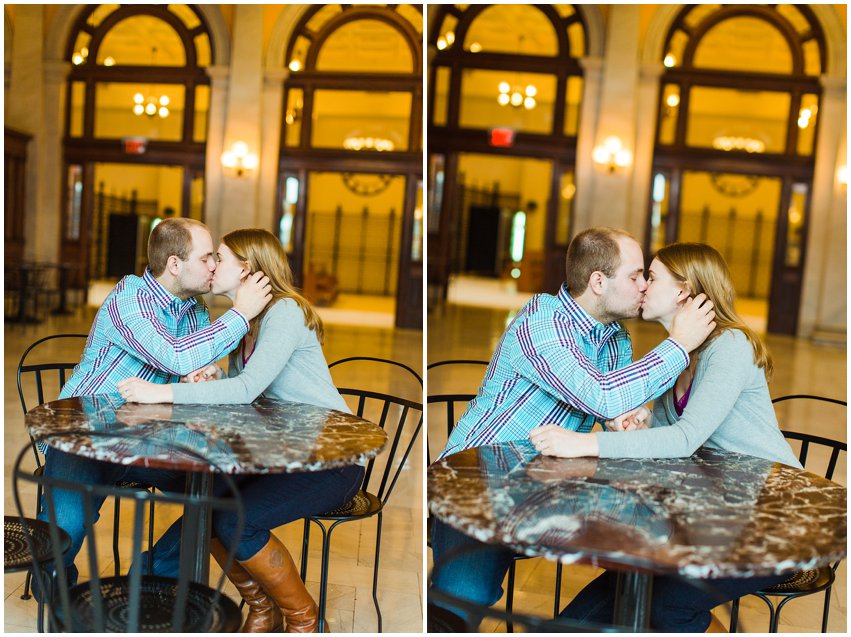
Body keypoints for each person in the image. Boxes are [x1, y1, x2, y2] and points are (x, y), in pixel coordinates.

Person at [430, 227, 716, 624]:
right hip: (479, 485)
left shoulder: (616, 338)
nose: (644, 286)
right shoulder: (541, 321)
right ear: (599, 281)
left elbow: (617, 408)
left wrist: (628, 419)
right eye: (636, 276)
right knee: (466, 595)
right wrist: (678, 345)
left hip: (548, 489)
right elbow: (599, 395)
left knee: (640, 569)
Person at [530, 242, 800, 632]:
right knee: (606, 601)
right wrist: (641, 424)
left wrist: (582, 443)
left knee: (666, 608)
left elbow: (685, 440)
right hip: (715, 519)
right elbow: (666, 439)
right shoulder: (678, 354)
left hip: (773, 523)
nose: (641, 286)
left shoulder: (730, 346)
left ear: (684, 290)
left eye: (650, 277)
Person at [117, 228, 364, 633]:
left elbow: (247, 391)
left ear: (246, 269)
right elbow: (247, 395)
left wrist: (162, 392)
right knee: (210, 501)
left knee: (233, 522)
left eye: (221, 258)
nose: (212, 265)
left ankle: (305, 620)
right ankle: (262, 610)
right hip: (283, 455)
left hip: (330, 460)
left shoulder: (283, 312)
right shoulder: (247, 323)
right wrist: (213, 376)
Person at [37, 218, 272, 593]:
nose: (214, 266)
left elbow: (191, 366)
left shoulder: (195, 310)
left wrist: (203, 374)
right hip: (85, 431)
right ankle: (56, 592)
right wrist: (240, 315)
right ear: (175, 264)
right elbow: (174, 356)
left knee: (218, 496)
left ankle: (145, 579)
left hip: (148, 437)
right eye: (207, 257)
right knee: (66, 525)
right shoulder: (129, 298)